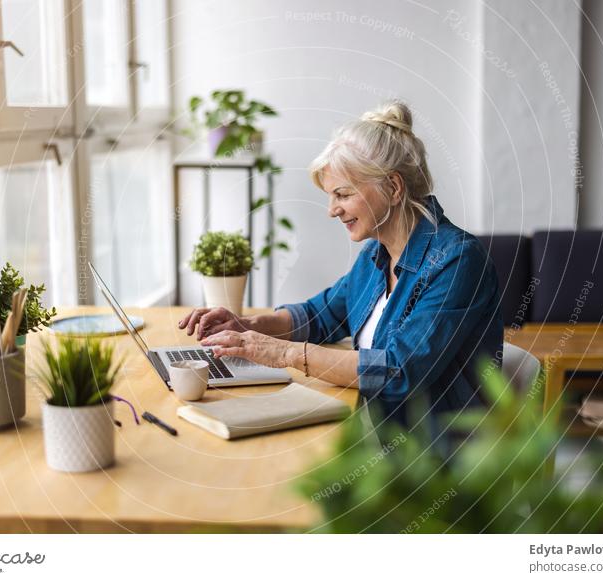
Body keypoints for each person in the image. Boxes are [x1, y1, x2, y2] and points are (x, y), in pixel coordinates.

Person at [178, 100, 503, 445]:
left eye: (342, 195)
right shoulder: (375, 257)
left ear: (393, 188)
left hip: (434, 462)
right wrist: (247, 326)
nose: (332, 210)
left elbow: (398, 371)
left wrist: (282, 353)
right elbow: (320, 315)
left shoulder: (457, 261)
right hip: (377, 433)